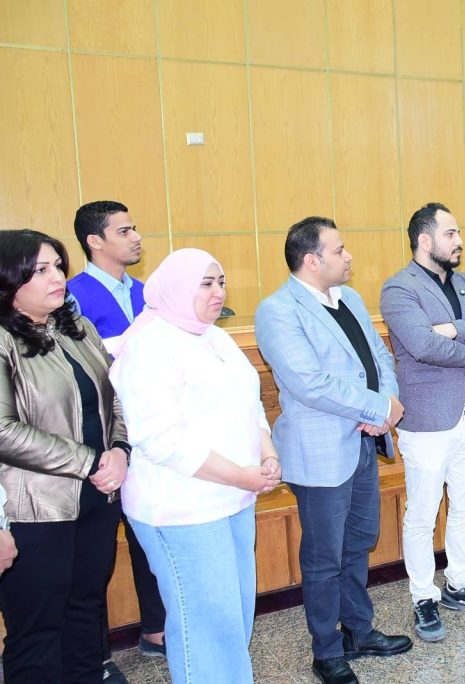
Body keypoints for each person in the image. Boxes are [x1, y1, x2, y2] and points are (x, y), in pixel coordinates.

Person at [109, 248, 282, 683]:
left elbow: (251, 405)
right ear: (177, 288)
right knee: (205, 622)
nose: (218, 292)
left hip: (234, 498)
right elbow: (162, 438)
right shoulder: (150, 344)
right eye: (206, 283)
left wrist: (267, 454)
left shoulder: (215, 337)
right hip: (181, 508)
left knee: (234, 615)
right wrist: (243, 475)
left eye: (221, 282)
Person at [255, 217, 412, 684]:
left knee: (359, 542)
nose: (348, 257)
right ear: (311, 260)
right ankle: (326, 651)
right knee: (324, 558)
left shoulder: (351, 298)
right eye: (339, 250)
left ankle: (358, 631)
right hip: (320, 450)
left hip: (363, 439)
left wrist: (385, 407)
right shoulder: (278, 311)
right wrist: (377, 406)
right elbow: (310, 383)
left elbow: (380, 357)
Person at [0, 229, 128, 682]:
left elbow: (116, 398)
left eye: (58, 266)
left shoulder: (77, 328)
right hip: (36, 508)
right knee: (38, 629)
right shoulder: (3, 340)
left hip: (96, 497)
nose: (57, 277)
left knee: (85, 612)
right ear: (8, 280)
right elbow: (3, 430)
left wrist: (120, 450)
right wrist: (89, 461)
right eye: (40, 270)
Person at [380, 202, 465, 642]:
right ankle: (423, 596)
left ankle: (459, 582)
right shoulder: (399, 288)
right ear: (425, 240)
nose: (459, 241)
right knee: (422, 513)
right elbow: (422, 346)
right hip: (426, 421)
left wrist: (454, 329)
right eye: (450, 234)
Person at [67, 200, 167, 667]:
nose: (136, 237)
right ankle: (96, 655)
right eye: (124, 231)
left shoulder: (150, 293)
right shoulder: (70, 296)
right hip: (101, 440)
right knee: (96, 553)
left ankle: (156, 629)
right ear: (95, 241)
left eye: (134, 228)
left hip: (152, 432)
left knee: (150, 538)